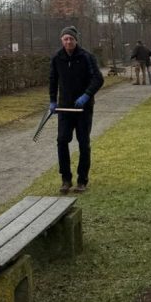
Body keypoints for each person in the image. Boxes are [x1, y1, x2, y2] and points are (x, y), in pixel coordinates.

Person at [48, 25, 104, 194]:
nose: (68, 41)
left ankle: (82, 180)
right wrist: (53, 101)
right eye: (65, 39)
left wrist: (86, 95)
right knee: (62, 141)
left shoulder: (86, 57)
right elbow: (52, 80)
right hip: (65, 107)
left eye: (71, 39)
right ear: (61, 40)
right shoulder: (57, 58)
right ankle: (66, 179)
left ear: (76, 40)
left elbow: (98, 79)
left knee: (83, 143)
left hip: (83, 108)